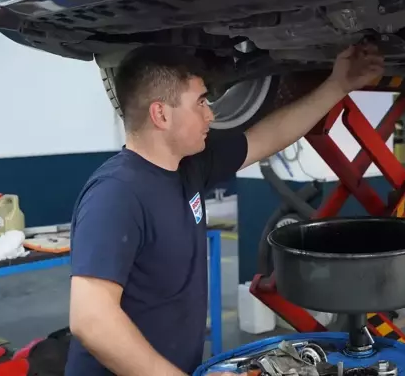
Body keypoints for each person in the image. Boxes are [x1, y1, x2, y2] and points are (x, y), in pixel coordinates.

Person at [64, 43, 385, 376]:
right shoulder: (116, 194)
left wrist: (338, 84)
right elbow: (91, 320)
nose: (211, 114)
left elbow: (267, 136)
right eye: (201, 102)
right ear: (161, 114)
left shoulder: (189, 167)